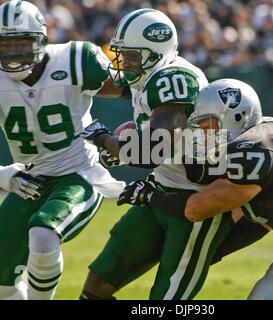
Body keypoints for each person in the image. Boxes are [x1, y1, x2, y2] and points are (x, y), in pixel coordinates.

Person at [118, 78, 273, 299]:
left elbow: (196, 209)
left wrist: (150, 196)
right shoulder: (261, 150)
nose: (204, 133)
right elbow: (254, 224)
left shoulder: (256, 146)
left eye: (209, 124)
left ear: (237, 116)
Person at [77, 8, 233, 300]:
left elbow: (151, 151)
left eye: (132, 56)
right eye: (123, 54)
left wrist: (104, 139)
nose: (125, 62)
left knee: (166, 299)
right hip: (159, 191)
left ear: (156, 52)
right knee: (99, 280)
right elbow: (109, 88)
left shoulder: (174, 79)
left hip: (195, 202)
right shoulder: (148, 76)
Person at [0, 0, 125, 300]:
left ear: (42, 39)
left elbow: (133, 90)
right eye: (6, 45)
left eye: (22, 43)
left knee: (43, 235)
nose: (15, 54)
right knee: (2, 285)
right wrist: (4, 175)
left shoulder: (74, 60)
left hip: (78, 174)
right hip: (29, 181)